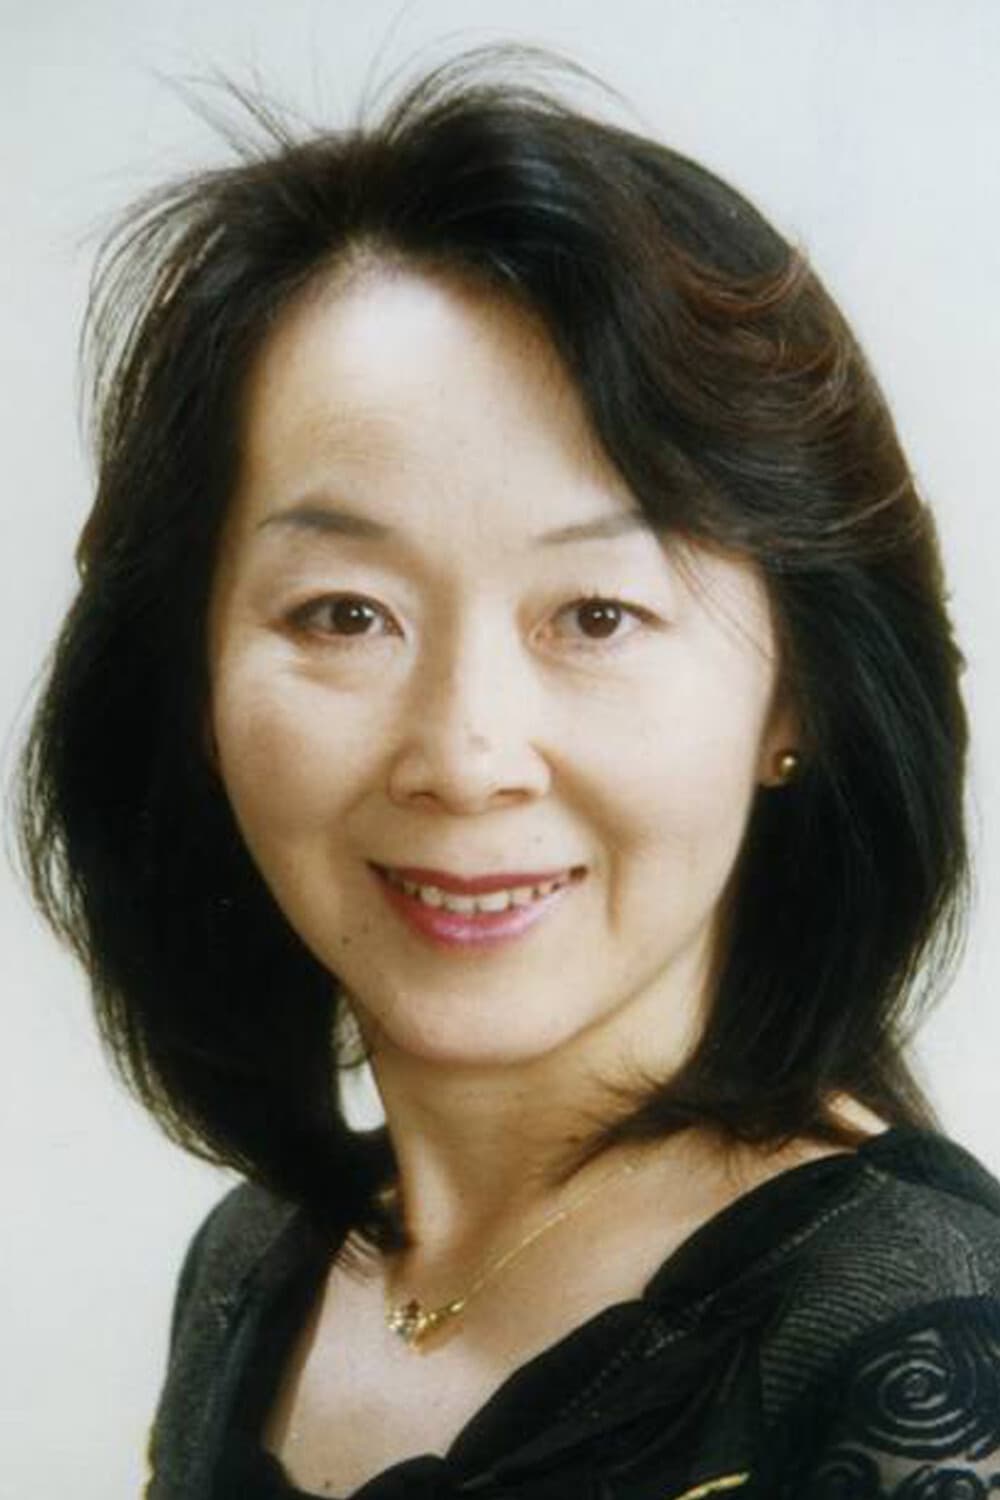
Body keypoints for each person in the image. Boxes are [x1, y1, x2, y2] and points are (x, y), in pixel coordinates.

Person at [16, 43, 1000, 1500]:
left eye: (595, 615)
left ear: (799, 694)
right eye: (344, 614)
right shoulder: (255, 1268)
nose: (464, 757)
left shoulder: (919, 1338)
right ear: (194, 685)